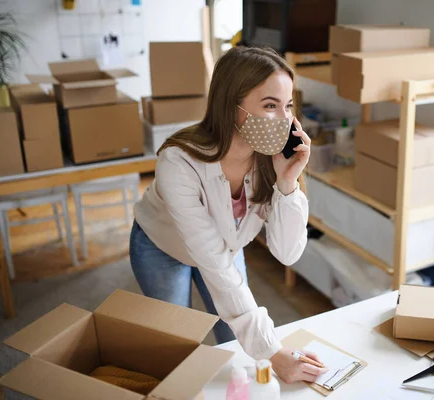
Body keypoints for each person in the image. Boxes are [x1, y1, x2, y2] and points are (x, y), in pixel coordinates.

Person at [130, 46, 325, 383]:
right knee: (175, 345)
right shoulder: (179, 161)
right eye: (269, 105)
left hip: (224, 249)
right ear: (230, 105)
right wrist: (274, 351)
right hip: (163, 248)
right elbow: (212, 261)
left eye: (288, 106)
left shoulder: (271, 160)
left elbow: (287, 253)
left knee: (237, 345)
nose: (284, 119)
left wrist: (288, 184)